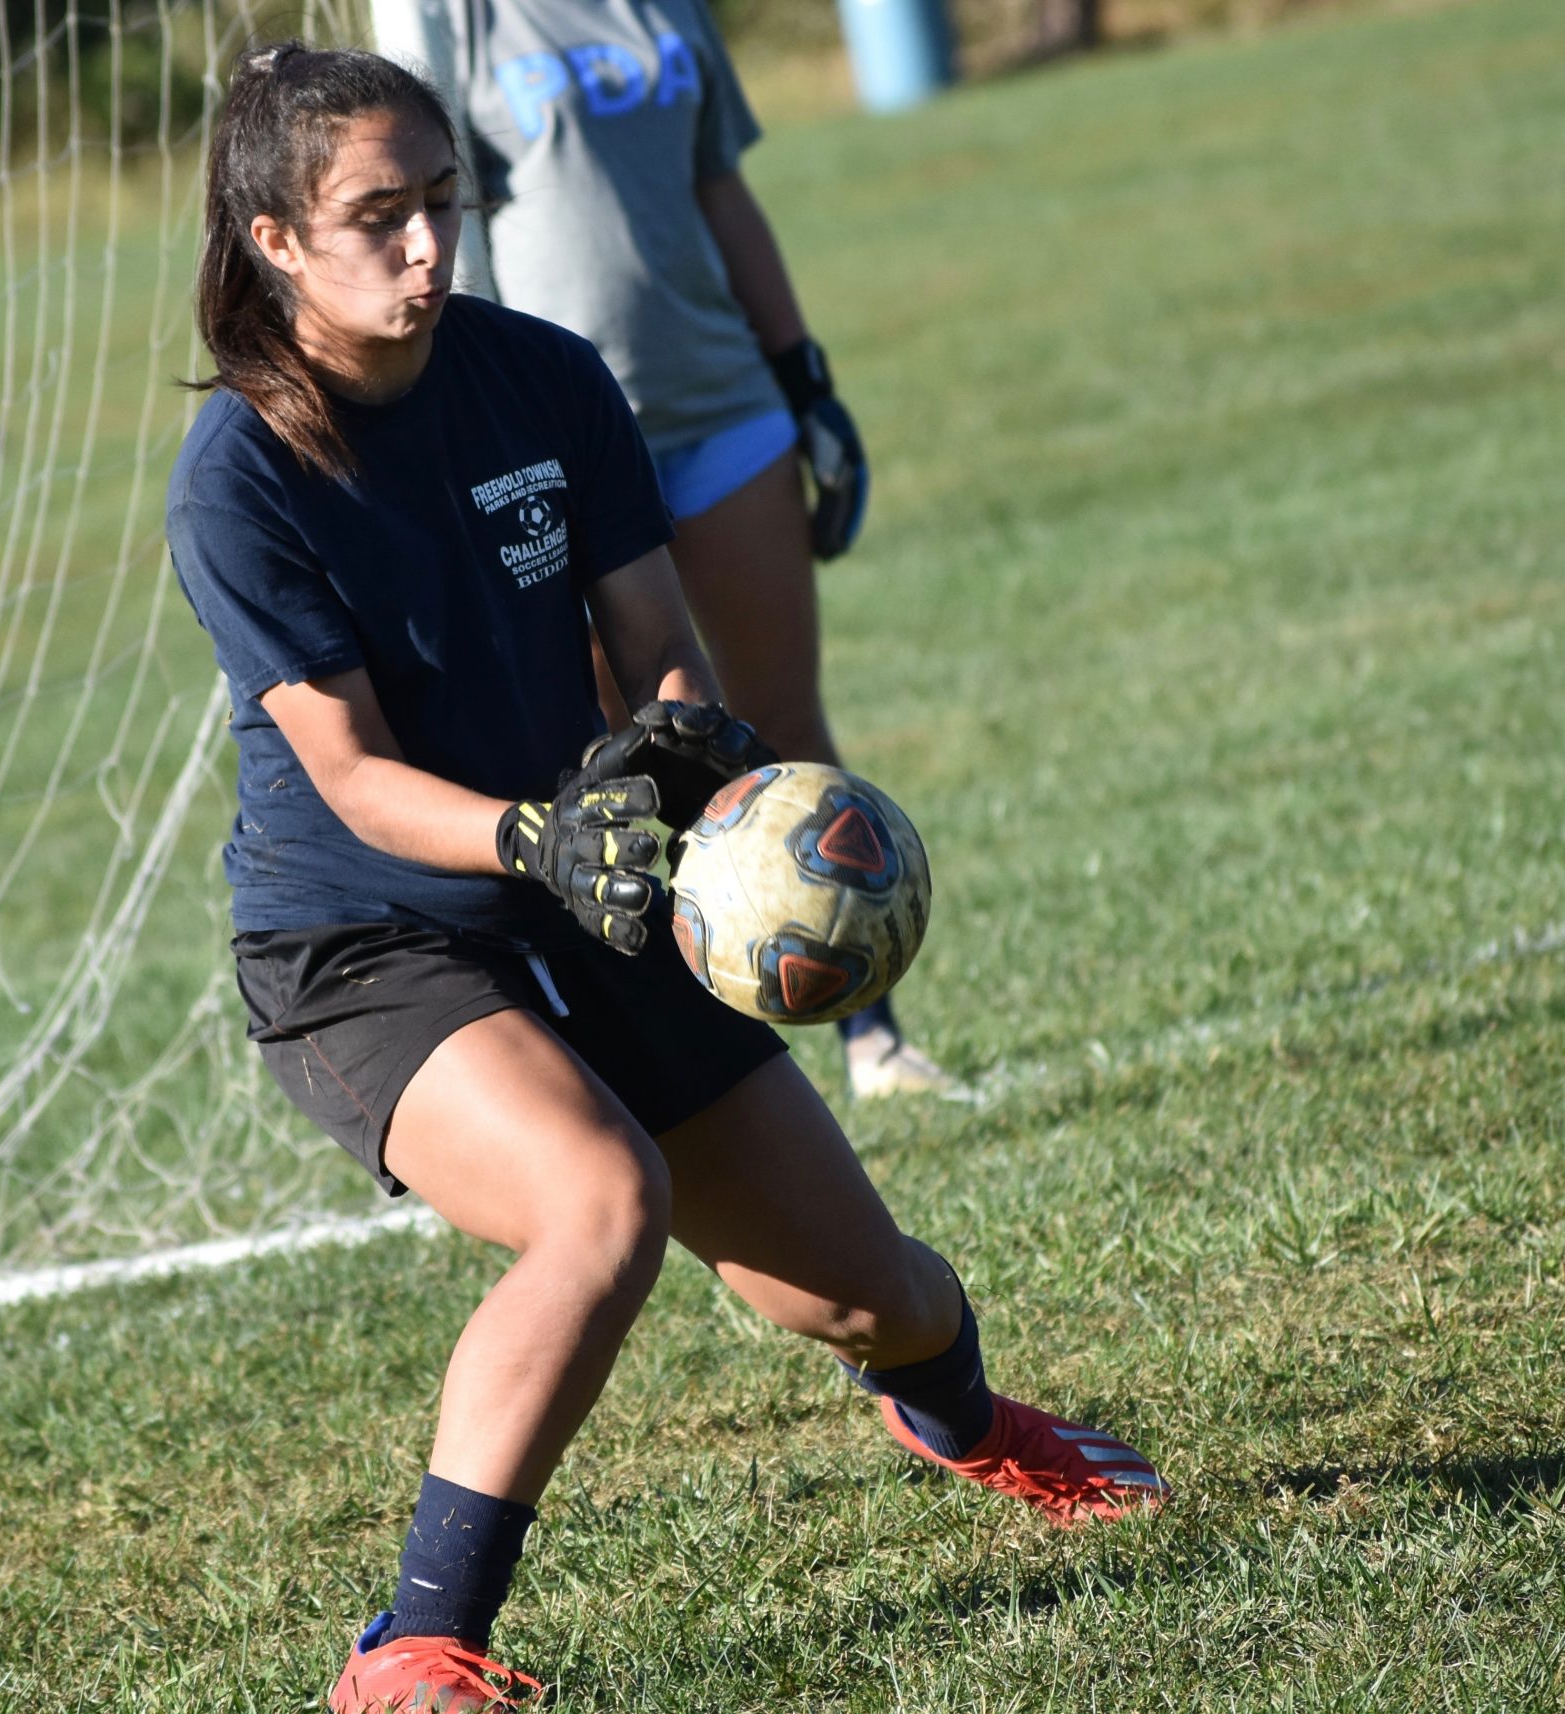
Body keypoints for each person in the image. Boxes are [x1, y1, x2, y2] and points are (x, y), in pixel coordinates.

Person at [166, 44, 1165, 1712]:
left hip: (597, 890)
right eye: (374, 221)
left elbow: (661, 656)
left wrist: (684, 759)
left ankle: (976, 1427)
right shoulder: (243, 475)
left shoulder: (545, 380)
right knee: (596, 1200)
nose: (425, 252)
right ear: (272, 238)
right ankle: (412, 1646)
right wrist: (530, 831)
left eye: (441, 207)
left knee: (874, 1293)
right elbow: (346, 775)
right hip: (366, 936)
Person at [377, 0, 952, 1099]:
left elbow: (717, 186)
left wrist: (802, 378)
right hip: (559, 440)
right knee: (610, 768)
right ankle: (645, 1066)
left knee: (769, 727)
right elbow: (423, 225)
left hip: (723, 404)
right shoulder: (442, 18)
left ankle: (869, 1032)